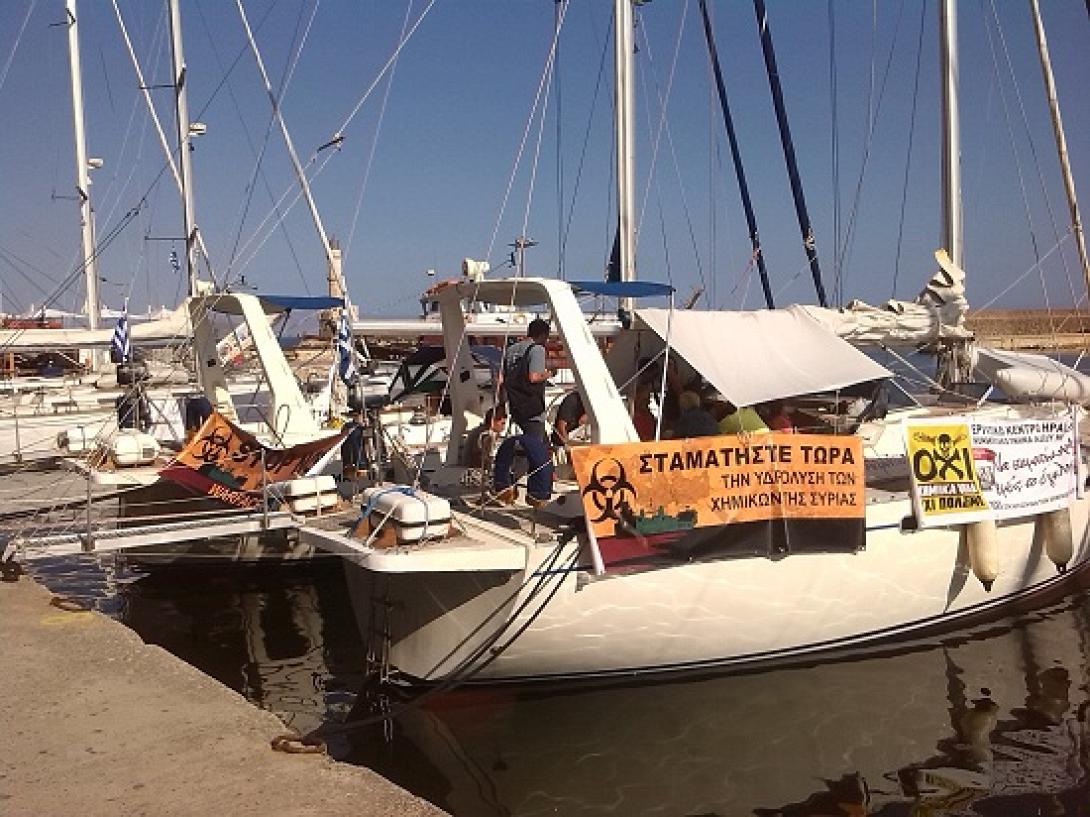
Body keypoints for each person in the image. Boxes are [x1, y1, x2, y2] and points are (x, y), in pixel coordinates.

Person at [493, 318, 554, 505]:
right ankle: (533, 493)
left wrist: (501, 404)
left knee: (536, 443)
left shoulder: (511, 350)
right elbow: (534, 376)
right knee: (536, 448)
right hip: (532, 406)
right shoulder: (537, 349)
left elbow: (500, 380)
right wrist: (549, 373)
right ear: (543, 335)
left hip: (515, 405)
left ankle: (509, 481)